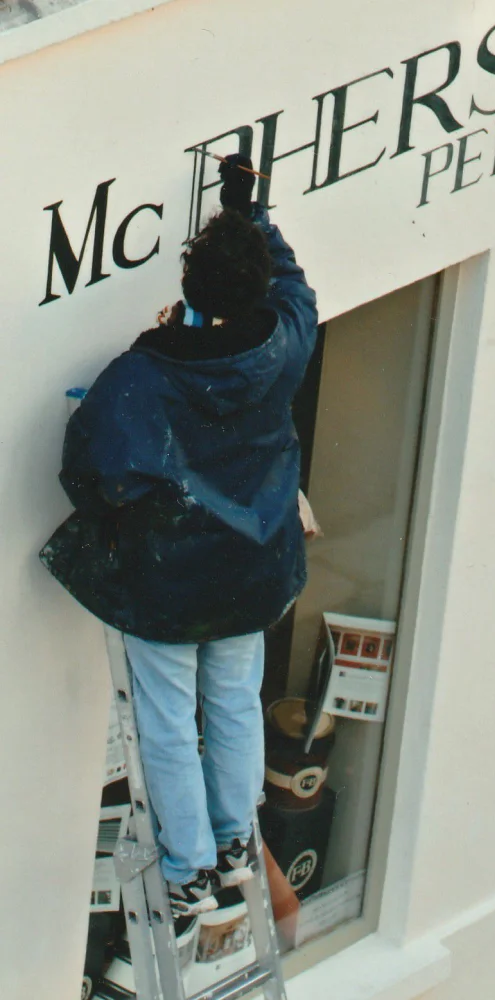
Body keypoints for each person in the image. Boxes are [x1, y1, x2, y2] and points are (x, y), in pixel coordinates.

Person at [41, 155, 318, 917]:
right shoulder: (285, 343)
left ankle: (189, 870)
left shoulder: (144, 375)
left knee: (168, 719)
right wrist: (249, 212)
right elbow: (292, 284)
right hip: (253, 570)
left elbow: (92, 469)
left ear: (188, 293)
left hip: (170, 585)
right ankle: (235, 843)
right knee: (232, 698)